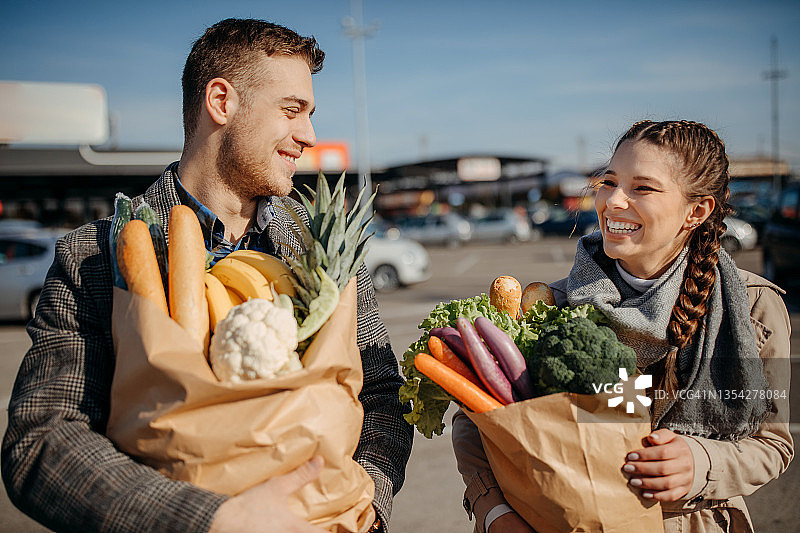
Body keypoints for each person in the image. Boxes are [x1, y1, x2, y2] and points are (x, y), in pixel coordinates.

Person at [2, 18, 413, 533]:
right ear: (221, 102)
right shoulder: (94, 257)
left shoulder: (325, 245)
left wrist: (366, 504)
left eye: (310, 114)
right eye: (292, 110)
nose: (308, 136)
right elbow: (42, 440)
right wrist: (213, 520)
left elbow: (379, 395)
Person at [451, 120, 793, 533]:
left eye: (642, 188)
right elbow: (474, 416)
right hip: (562, 521)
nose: (613, 202)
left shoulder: (752, 307)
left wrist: (701, 462)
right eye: (610, 182)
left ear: (697, 211)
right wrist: (493, 512)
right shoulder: (549, 305)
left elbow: (772, 444)